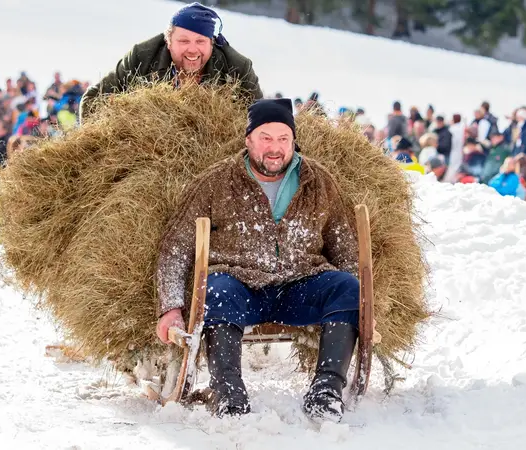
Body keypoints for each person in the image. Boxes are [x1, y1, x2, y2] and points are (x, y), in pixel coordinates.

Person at [155, 98, 360, 422]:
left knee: (348, 287)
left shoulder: (318, 181)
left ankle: (326, 391)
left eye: (283, 138)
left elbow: (345, 245)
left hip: (300, 282)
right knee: (214, 289)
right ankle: (229, 395)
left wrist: (361, 305)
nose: (275, 148)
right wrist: (170, 307)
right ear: (249, 139)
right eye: (266, 137)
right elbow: (176, 247)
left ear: (293, 140)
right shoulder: (217, 182)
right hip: (239, 286)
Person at [79, 2, 263, 122]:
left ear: (212, 43)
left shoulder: (238, 68)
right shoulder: (141, 57)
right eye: (183, 41)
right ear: (168, 41)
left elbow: (263, 120)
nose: (192, 49)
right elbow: (92, 99)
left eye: (200, 41)